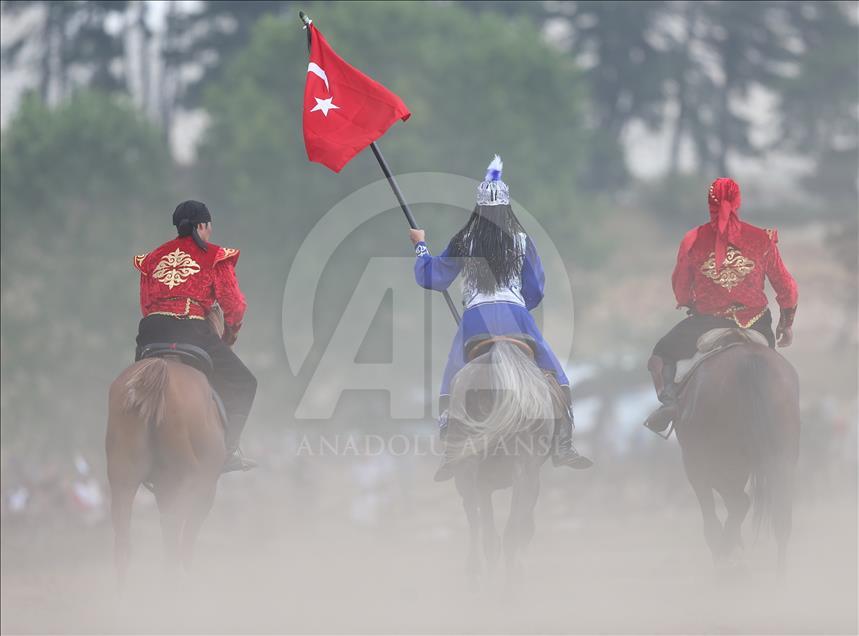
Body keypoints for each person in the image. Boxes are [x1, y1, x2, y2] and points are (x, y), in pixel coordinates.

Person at [410, 156, 593, 481]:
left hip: (475, 321)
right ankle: (564, 442)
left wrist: (421, 246)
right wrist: (520, 305)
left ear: (477, 208)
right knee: (556, 374)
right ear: (507, 208)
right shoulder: (522, 242)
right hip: (516, 318)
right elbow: (536, 290)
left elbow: (432, 278)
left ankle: (451, 445)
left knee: (452, 378)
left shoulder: (463, 240)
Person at [644, 177, 799, 433]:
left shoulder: (693, 240)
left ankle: (669, 404)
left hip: (706, 323)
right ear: (738, 202)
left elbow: (681, 287)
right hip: (756, 323)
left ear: (709, 203)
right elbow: (787, 288)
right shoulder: (763, 239)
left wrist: (688, 302)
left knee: (661, 353)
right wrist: (787, 324)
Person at [133, 200, 257, 472]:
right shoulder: (215, 256)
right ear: (203, 226)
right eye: (209, 226)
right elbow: (234, 305)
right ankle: (229, 450)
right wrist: (230, 332)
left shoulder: (152, 258)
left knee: (135, 387)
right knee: (245, 383)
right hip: (191, 330)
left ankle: (136, 442)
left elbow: (146, 304)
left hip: (151, 333)